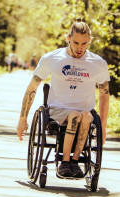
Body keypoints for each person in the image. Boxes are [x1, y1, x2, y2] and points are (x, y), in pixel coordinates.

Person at [17, 20, 110, 178]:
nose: (80, 48)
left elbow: (104, 94)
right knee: (75, 115)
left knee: (86, 116)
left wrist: (103, 126)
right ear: (68, 38)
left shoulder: (98, 63)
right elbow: (32, 88)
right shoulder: (51, 58)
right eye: (75, 42)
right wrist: (22, 118)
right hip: (58, 110)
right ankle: (64, 163)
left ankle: (74, 162)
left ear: (90, 41)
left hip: (85, 111)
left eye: (84, 43)